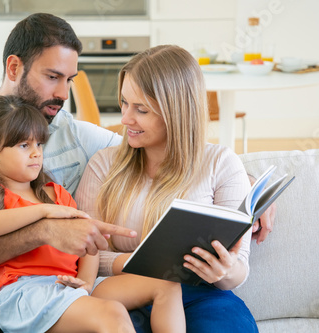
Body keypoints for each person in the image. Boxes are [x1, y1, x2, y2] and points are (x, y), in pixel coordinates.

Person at [0, 13, 273, 332]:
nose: (63, 94)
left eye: (69, 80)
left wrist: (248, 191)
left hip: (54, 290)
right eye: (52, 77)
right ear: (14, 67)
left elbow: (154, 146)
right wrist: (45, 226)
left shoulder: (71, 132)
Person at [75, 44, 260, 332]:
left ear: (177, 111)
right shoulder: (103, 166)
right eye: (124, 103)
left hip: (203, 296)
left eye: (141, 110)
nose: (125, 119)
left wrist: (225, 270)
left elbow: (239, 270)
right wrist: (153, 269)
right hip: (123, 296)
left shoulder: (221, 164)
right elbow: (87, 255)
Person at [0, 94, 185, 332]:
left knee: (167, 284)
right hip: (27, 292)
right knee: (112, 312)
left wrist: (85, 285)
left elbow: (89, 246)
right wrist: (43, 211)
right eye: (23, 145)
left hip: (72, 285)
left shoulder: (57, 194)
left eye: (39, 144)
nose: (36, 153)